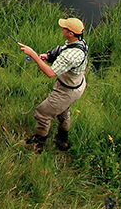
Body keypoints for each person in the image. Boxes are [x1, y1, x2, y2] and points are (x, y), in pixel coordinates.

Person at [18, 17, 88, 153]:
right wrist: (49, 56)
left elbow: (50, 73)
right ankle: (62, 140)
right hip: (77, 86)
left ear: (71, 33)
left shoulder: (70, 55)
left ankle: (38, 144)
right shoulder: (80, 42)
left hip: (67, 91)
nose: (62, 29)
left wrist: (34, 55)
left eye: (65, 28)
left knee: (43, 112)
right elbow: (63, 51)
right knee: (63, 112)